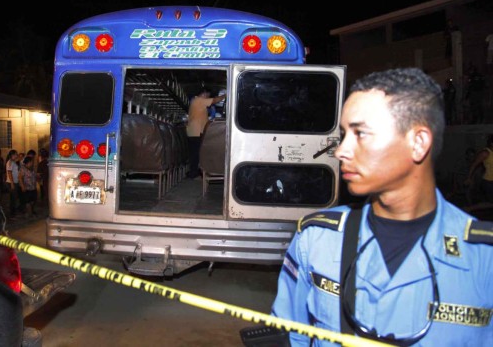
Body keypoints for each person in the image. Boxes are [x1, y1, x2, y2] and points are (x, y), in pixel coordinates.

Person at [271, 68, 493, 346]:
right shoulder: (317, 238)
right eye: (343, 134)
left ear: (419, 142)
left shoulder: (483, 257)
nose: (340, 151)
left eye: (360, 133)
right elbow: (291, 335)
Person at [185, 87, 226, 178]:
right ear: (204, 93)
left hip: (194, 130)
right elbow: (214, 100)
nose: (208, 97)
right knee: (196, 152)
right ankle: (193, 173)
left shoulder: (196, 101)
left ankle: (194, 171)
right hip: (196, 131)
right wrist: (225, 95)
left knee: (195, 152)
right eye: (208, 95)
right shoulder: (199, 100)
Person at [465, 134, 493, 211]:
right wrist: (469, 177)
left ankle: (469, 208)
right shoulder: (485, 153)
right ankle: (469, 208)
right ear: (491, 143)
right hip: (489, 181)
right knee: (491, 203)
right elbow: (474, 165)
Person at [5, 149, 22, 218]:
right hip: (11, 183)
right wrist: (12, 183)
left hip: (15, 182)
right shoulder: (10, 162)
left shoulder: (13, 162)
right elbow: (9, 173)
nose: (16, 155)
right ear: (12, 155)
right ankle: (12, 214)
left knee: (14, 198)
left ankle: (14, 212)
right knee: (13, 199)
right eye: (15, 154)